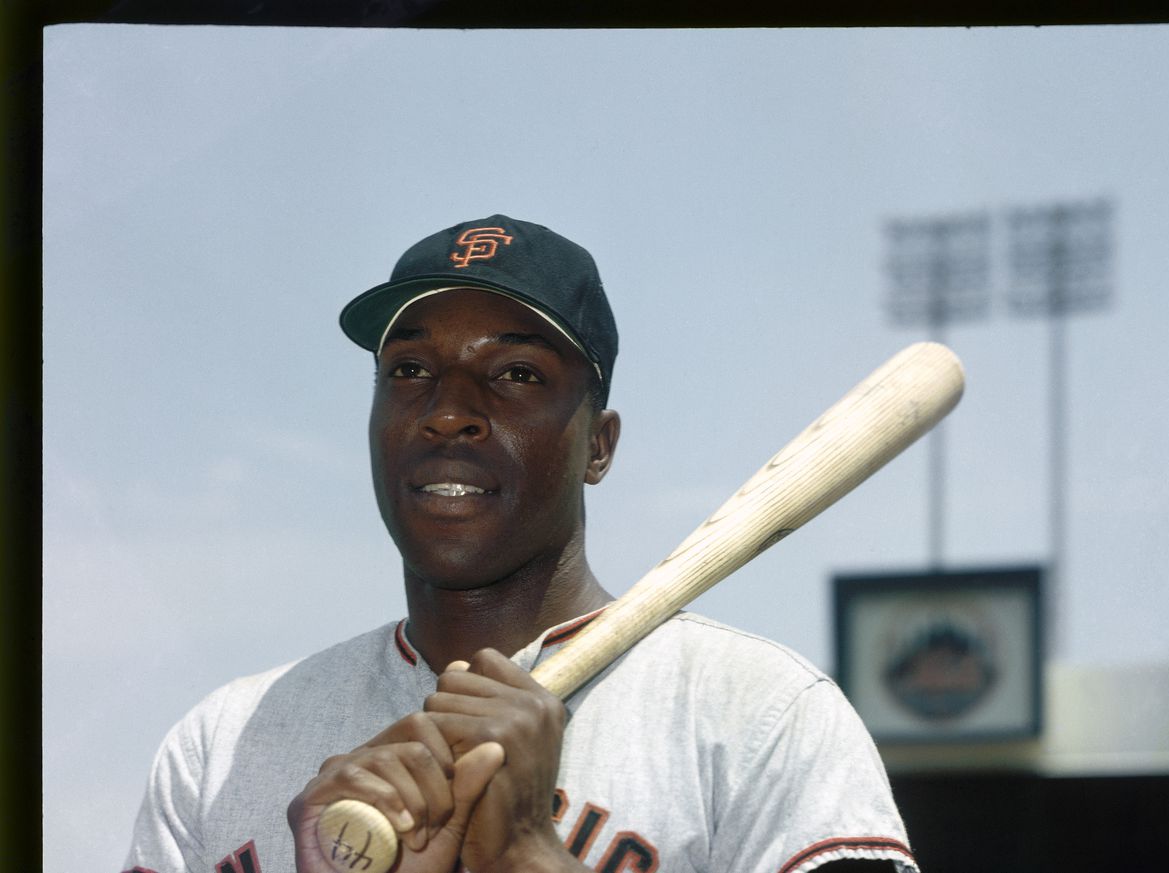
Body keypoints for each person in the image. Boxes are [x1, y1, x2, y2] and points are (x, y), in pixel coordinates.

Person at [122, 215, 917, 873]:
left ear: (597, 447)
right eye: (408, 369)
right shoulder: (224, 742)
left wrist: (529, 853)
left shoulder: (755, 713)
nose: (447, 411)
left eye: (516, 374)